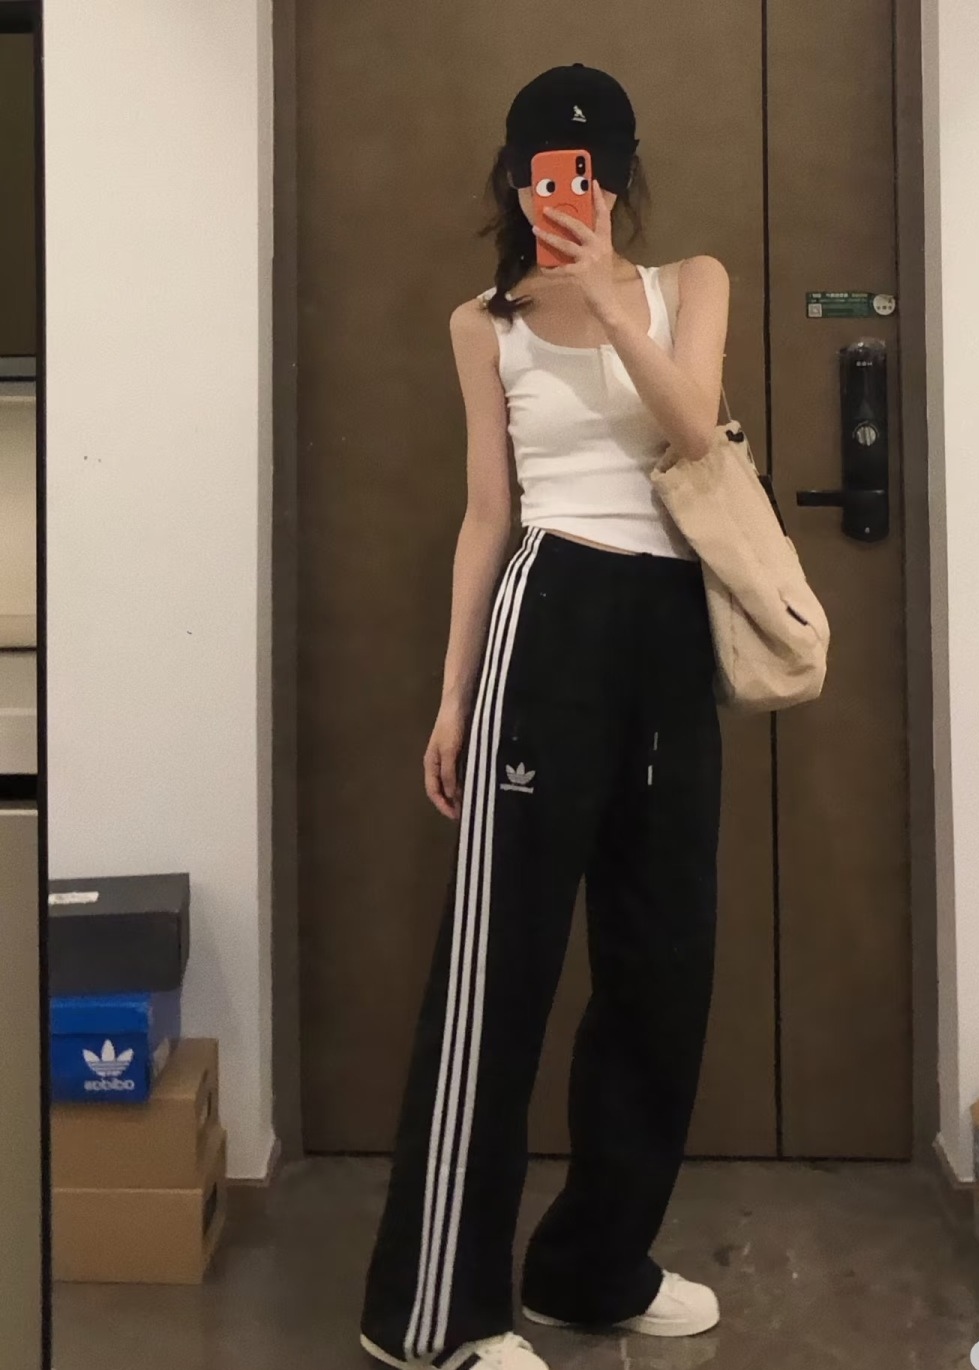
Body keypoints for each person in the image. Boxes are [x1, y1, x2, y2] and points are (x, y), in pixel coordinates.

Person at [360, 63, 730, 1370]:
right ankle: (432, 1315)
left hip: (672, 632)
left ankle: (592, 1268)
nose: (559, 190)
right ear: (514, 178)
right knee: (498, 969)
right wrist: (453, 694)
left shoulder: (692, 283)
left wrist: (613, 301)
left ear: (616, 178)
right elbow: (487, 515)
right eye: (539, 170)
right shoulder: (484, 323)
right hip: (547, 617)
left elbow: (696, 433)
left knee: (663, 965)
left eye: (583, 170)